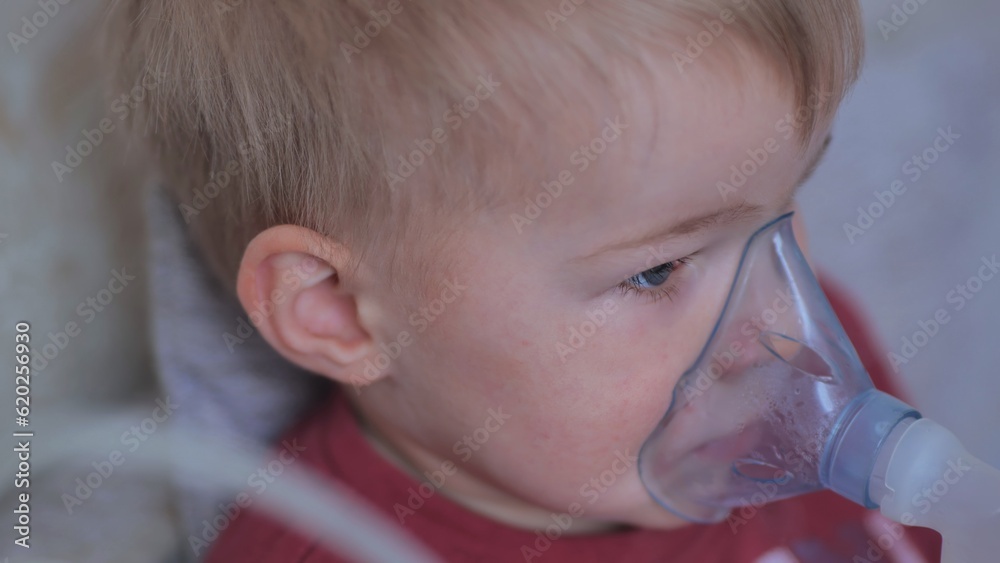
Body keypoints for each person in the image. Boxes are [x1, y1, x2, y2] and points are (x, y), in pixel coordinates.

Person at [108, 0, 942, 560]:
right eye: (656, 270)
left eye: (787, 205)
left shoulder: (805, 383)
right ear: (337, 310)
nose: (779, 317)